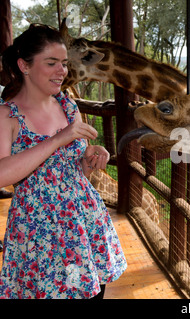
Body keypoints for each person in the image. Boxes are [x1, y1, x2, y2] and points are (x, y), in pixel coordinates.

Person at [0, 24, 127, 299]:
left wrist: (90, 157)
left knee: (92, 293)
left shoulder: (68, 106)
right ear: (24, 65)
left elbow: (75, 167)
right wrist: (59, 139)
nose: (62, 71)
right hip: (39, 229)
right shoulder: (6, 116)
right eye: (52, 63)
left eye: (64, 64)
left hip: (83, 221)